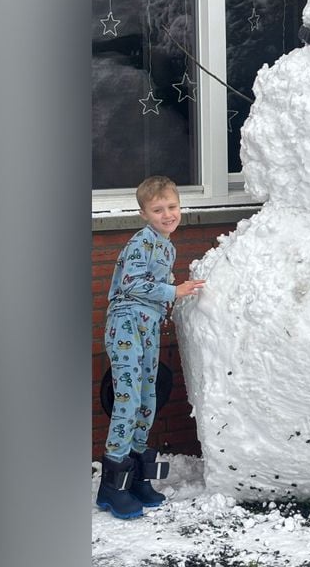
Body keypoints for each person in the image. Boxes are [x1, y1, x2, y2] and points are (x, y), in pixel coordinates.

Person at [95, 176, 205, 520]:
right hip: (127, 323)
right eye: (158, 209)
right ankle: (112, 488)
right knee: (127, 400)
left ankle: (139, 478)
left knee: (147, 398)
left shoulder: (167, 246)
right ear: (144, 213)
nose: (167, 214)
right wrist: (175, 291)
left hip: (148, 327)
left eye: (172, 207)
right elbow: (132, 284)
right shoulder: (141, 242)